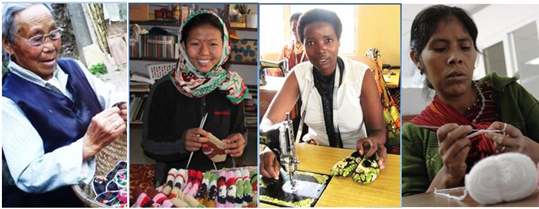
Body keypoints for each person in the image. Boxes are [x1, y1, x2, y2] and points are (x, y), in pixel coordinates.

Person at [402, 4, 539, 196]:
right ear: (417, 60)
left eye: (465, 47)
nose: (455, 58)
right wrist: (448, 174)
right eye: (440, 48)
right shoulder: (414, 134)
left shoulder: (509, 94)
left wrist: (529, 149)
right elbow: (409, 202)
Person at [2, 3, 127, 206]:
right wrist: (86, 146)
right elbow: (28, 174)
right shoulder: (8, 100)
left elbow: (109, 94)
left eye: (53, 33)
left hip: (105, 187)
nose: (50, 46)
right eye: (36, 38)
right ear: (8, 45)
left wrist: (121, 105)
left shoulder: (72, 67)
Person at [259, 8, 387, 180]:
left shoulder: (361, 75)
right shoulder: (298, 75)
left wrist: (373, 142)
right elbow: (269, 121)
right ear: (302, 45)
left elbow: (378, 131)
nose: (321, 49)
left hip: (356, 155)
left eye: (328, 40)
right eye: (311, 42)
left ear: (338, 41)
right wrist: (269, 145)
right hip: (314, 155)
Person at [141, 10, 249, 185]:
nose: (204, 52)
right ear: (183, 46)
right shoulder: (164, 89)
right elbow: (148, 144)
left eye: (213, 44)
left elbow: (240, 129)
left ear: (225, 46)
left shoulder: (232, 87)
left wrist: (240, 140)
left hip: (221, 177)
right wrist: (180, 144)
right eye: (195, 43)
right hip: (175, 180)